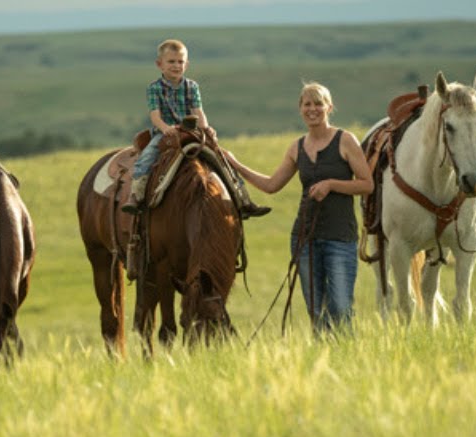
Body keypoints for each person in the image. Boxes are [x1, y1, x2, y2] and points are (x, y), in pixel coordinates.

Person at [225, 82, 372, 334]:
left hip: (340, 238)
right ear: (300, 109)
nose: (312, 109)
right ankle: (323, 359)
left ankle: (346, 355)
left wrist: (331, 184)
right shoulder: (296, 147)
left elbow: (367, 184)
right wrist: (236, 165)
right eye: (307, 104)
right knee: (316, 310)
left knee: (340, 307)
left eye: (318, 103)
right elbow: (271, 185)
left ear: (329, 107)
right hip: (305, 238)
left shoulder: (345, 140)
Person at [119, 38, 270, 222]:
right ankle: (137, 195)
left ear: (187, 64)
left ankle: (242, 198)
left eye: (180, 62)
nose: (176, 66)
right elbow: (155, 116)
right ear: (160, 64)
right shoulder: (154, 88)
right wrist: (166, 129)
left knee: (222, 157)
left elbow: (198, 112)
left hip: (191, 132)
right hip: (165, 133)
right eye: (171, 62)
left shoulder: (191, 86)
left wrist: (206, 129)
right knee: (147, 157)